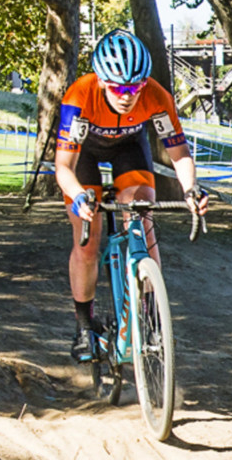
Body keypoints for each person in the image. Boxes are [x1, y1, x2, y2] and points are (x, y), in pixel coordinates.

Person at [54, 29, 207, 361]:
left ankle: (152, 317)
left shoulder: (156, 95)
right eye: (119, 88)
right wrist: (79, 196)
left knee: (142, 219)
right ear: (102, 81)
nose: (127, 95)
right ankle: (84, 327)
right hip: (85, 157)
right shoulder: (80, 96)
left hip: (129, 150)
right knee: (88, 240)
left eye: (135, 87)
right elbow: (64, 166)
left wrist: (191, 189)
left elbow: (179, 153)